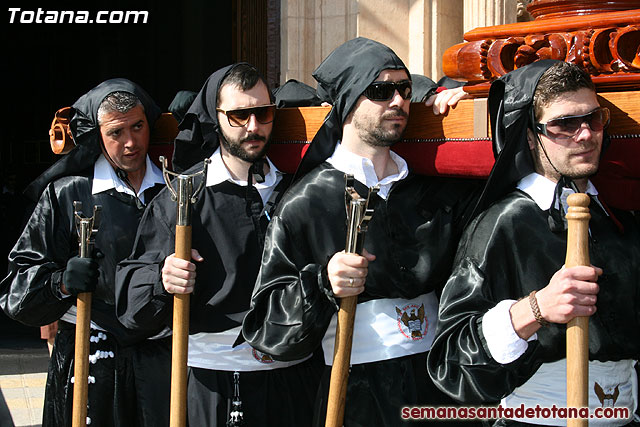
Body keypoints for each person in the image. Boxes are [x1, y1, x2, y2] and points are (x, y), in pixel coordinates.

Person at [242, 37, 481, 426]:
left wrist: (457, 103)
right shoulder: (306, 202)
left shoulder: (434, 189)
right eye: (380, 91)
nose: (398, 101)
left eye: (405, 90)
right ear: (350, 100)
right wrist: (322, 282)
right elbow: (267, 327)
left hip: (439, 384)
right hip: (357, 394)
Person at [426, 60, 640, 426]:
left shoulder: (620, 218)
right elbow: (451, 359)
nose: (586, 134)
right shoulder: (504, 222)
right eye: (564, 124)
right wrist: (535, 310)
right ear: (530, 135)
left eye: (593, 119)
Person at [115, 63, 321, 427]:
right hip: (216, 384)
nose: (254, 127)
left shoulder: (299, 189)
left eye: (263, 113)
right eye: (239, 115)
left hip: (296, 379)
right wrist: (163, 279)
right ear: (216, 116)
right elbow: (132, 302)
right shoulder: (183, 196)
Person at [0, 78, 171, 426]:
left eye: (138, 127)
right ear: (97, 135)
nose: (130, 142)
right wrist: (61, 284)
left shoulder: (175, 188)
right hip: (90, 363)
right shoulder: (66, 195)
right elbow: (15, 288)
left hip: (163, 363)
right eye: (116, 132)